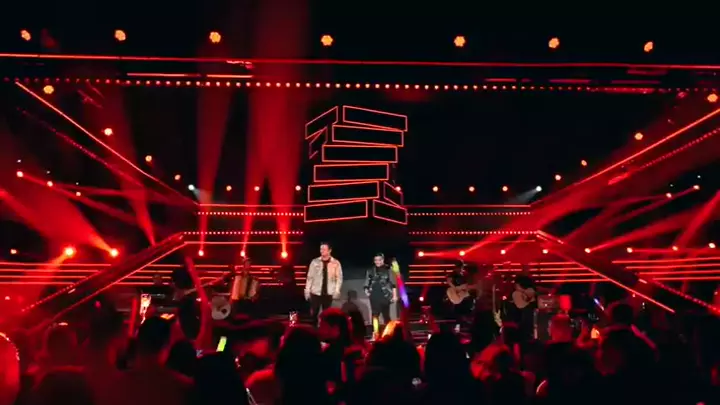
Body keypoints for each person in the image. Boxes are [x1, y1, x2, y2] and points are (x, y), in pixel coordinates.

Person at [305, 242, 343, 321]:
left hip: (328, 293)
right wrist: (307, 290)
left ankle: (325, 328)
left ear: (329, 250)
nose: (322, 251)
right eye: (321, 249)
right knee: (314, 314)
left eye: (324, 249)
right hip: (315, 292)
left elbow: (339, 278)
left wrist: (337, 291)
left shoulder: (335, 263)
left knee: (327, 315)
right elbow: (310, 277)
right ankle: (313, 327)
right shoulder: (315, 262)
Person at [364, 253, 398, 326]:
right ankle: (375, 331)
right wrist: (367, 291)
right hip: (374, 295)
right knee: (375, 315)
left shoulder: (388, 269)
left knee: (386, 315)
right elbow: (367, 282)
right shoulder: (370, 270)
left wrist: (395, 296)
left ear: (383, 260)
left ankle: (389, 331)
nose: (377, 262)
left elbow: (393, 284)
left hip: (385, 295)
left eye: (379, 260)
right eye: (375, 260)